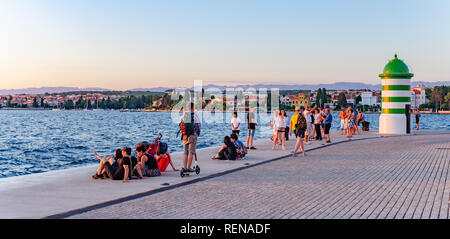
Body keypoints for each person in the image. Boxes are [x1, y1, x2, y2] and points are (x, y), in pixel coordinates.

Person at [180, 102, 201, 173]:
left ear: (187, 107)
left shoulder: (183, 115)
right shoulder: (194, 115)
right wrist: (197, 133)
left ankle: (185, 168)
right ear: (193, 107)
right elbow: (198, 126)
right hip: (192, 135)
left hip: (184, 136)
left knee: (185, 152)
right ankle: (188, 168)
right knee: (191, 152)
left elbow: (181, 126)